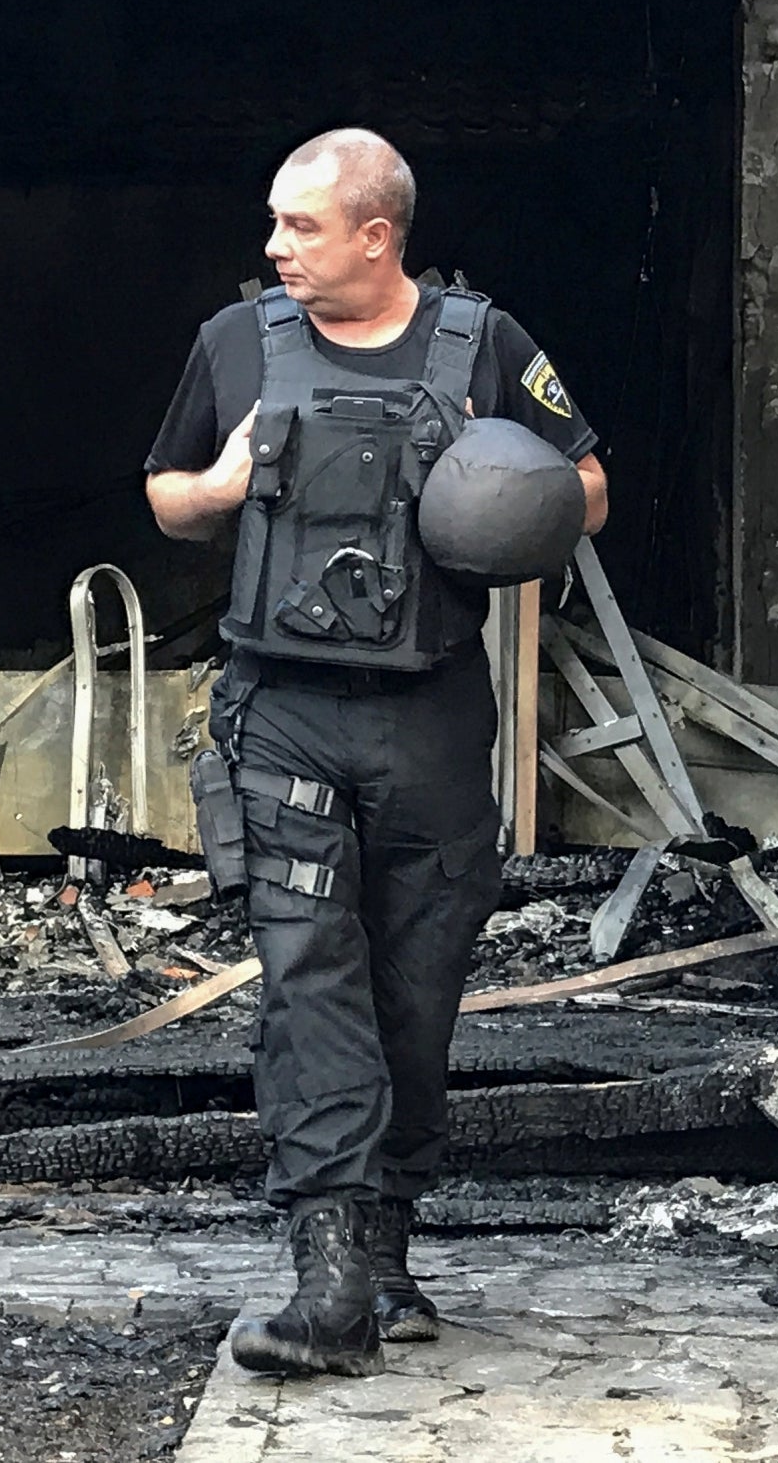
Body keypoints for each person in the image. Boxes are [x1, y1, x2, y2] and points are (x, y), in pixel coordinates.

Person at [145, 129, 606, 1376]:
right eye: (275, 225)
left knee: (416, 987)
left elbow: (587, 482)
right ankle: (330, 1270)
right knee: (310, 975)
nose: (274, 247)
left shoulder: (485, 344)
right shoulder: (235, 343)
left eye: (298, 226)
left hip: (434, 718)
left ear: (374, 235)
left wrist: (496, 495)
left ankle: (386, 1243)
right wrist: (224, 486)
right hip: (282, 707)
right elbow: (163, 495)